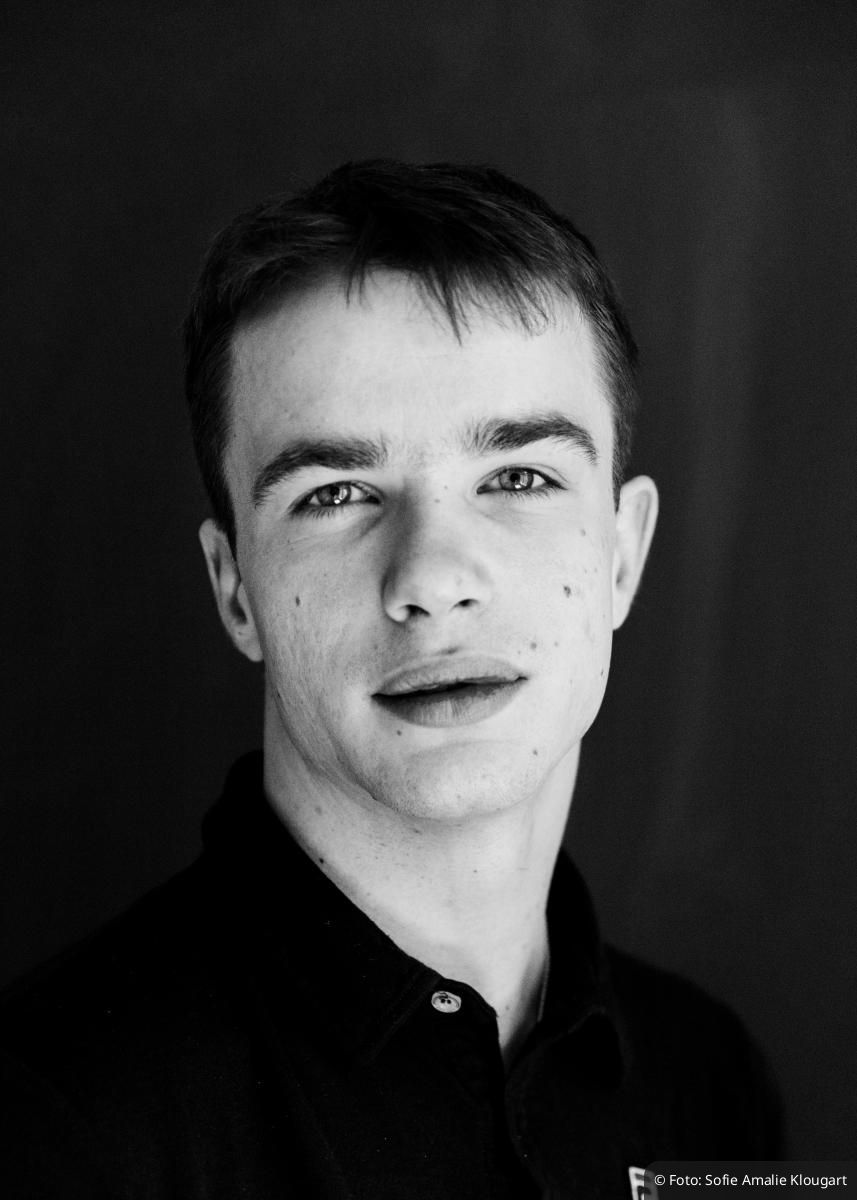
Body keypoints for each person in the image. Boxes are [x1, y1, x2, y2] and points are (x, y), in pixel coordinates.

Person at [0, 160, 780, 1198]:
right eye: (336, 494)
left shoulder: (712, 1086)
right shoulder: (44, 1129)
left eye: (518, 477)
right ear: (235, 590)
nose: (430, 579)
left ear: (621, 556)